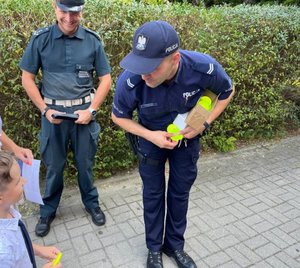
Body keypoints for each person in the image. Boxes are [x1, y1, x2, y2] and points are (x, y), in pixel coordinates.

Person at [112, 21, 235, 268]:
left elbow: (227, 91)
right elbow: (118, 116)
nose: (144, 74)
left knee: (180, 193)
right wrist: (150, 135)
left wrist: (205, 123)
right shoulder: (132, 80)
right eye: (140, 65)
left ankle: (174, 246)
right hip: (150, 140)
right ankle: (154, 249)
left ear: (175, 59)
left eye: (152, 67)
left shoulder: (203, 68)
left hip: (187, 140)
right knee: (153, 195)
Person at [19, 0, 112, 237]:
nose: (69, 18)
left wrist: (91, 110)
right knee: (54, 167)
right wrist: (44, 109)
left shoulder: (92, 40)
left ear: (82, 10)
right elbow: (27, 78)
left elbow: (106, 80)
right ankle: (48, 210)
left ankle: (91, 204)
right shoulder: (41, 40)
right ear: (54, 7)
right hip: (52, 117)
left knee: (85, 165)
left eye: (75, 12)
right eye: (64, 11)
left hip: (83, 116)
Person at [0, 151, 62, 268]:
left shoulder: (7, 211)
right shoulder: (3, 253)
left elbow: (17, 243)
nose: (24, 181)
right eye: (18, 181)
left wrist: (38, 250)